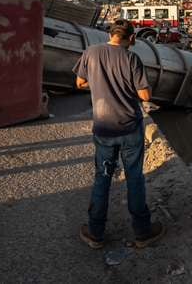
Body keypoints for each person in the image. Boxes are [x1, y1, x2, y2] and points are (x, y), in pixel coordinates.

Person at [73, 19, 165, 249]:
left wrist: (99, 83)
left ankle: (95, 233)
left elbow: (80, 82)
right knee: (134, 178)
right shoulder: (132, 58)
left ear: (111, 34)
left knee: (102, 178)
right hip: (130, 128)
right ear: (131, 38)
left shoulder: (91, 52)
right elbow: (145, 96)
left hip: (103, 128)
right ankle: (143, 233)